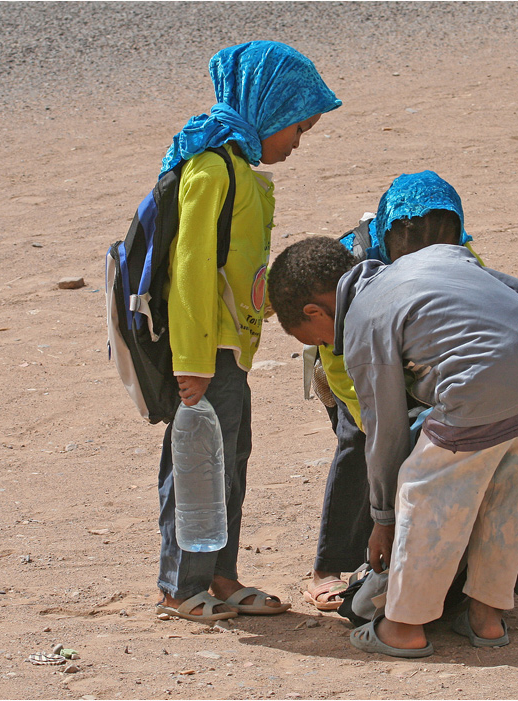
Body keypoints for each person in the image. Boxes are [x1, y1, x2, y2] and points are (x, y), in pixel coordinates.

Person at [268, 236, 518, 657]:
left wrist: (383, 517)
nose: (326, 348)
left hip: (477, 394)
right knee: (509, 503)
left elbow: (385, 430)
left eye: (314, 337)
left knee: (423, 492)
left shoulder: (363, 320)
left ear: (314, 311)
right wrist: (511, 357)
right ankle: (485, 620)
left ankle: (403, 628)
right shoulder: (434, 257)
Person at [153, 41, 341, 623]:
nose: (296, 143)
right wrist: (191, 361)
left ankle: (219, 574)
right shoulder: (210, 171)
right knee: (198, 465)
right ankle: (180, 587)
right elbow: (189, 271)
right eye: (296, 128)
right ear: (267, 107)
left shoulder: (237, 171)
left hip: (229, 351)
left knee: (231, 461)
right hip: (206, 353)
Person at [303, 171, 488, 611]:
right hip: (351, 371)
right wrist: (377, 419)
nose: (424, 260)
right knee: (362, 447)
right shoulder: (351, 267)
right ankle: (328, 568)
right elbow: (338, 353)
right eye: (411, 250)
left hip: (420, 369)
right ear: (389, 236)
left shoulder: (464, 259)